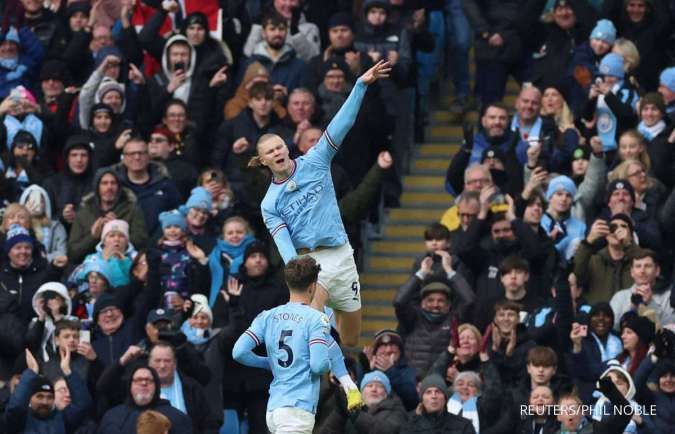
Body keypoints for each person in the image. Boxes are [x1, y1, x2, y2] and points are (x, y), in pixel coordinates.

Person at [249, 60, 391, 348]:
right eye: (269, 152)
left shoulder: (316, 160)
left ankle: (338, 358)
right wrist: (301, 280)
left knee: (350, 338)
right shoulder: (269, 204)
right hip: (311, 261)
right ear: (263, 161)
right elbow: (288, 252)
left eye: (278, 146)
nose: (276, 151)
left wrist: (360, 86)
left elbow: (343, 124)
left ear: (286, 147)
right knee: (315, 322)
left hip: (342, 253)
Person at [233, 256, 332, 433]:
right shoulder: (317, 319)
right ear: (313, 286)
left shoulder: (267, 316)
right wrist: (330, 362)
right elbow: (319, 366)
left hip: (274, 408)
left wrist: (269, 362)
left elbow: (239, 352)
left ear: (288, 284)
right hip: (297, 408)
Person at [5, 348, 91, 434]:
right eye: (40, 396)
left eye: (50, 397)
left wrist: (68, 371)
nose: (45, 402)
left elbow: (82, 404)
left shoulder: (62, 419)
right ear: (29, 397)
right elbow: (15, 408)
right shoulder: (20, 420)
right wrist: (31, 373)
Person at [98, 365, 193, 434]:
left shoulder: (177, 418)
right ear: (130, 385)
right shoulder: (112, 417)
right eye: (138, 380)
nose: (143, 383)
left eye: (149, 380)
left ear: (157, 386)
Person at [319, 370, 408, 434]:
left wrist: (355, 414)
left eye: (380, 386)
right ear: (361, 392)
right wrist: (339, 412)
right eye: (369, 385)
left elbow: (388, 430)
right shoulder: (351, 408)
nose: (374, 389)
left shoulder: (396, 410)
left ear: (386, 393)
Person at [401, 374, 475, 434]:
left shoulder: (464, 425)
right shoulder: (410, 426)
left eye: (438, 392)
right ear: (422, 399)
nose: (433, 396)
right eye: (428, 392)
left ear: (445, 398)